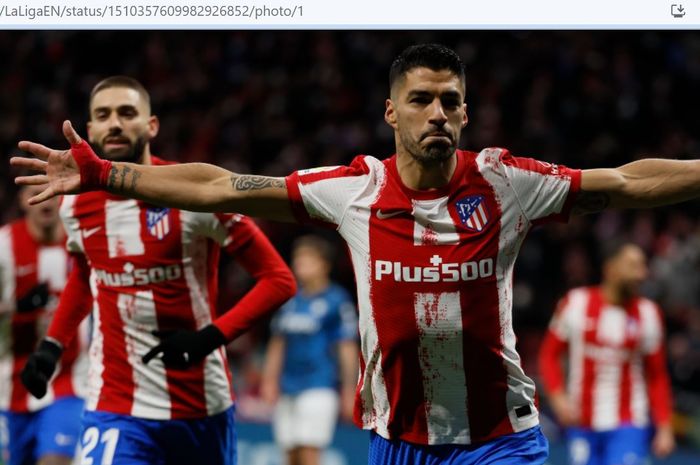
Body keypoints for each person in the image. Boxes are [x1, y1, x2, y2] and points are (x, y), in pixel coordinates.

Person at [11, 43, 700, 464]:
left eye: (450, 102)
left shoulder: (506, 182)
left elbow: (628, 181)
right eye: (421, 99)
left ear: (465, 114)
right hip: (395, 440)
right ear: (391, 113)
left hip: (499, 439)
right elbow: (220, 185)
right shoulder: (354, 191)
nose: (437, 112)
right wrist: (106, 175)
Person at [14, 76, 296, 465]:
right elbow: (86, 275)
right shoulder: (74, 205)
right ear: (90, 129)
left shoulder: (196, 192)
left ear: (152, 126)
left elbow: (279, 280)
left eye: (127, 113)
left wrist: (209, 338)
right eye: (103, 115)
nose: (115, 123)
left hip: (201, 403)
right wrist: (53, 345)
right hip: (115, 403)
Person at [538, 242, 675, 465]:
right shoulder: (575, 303)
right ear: (610, 268)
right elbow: (549, 355)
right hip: (581, 422)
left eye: (643, 266)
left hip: (629, 423)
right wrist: (558, 397)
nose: (642, 274)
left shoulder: (649, 313)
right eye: (633, 266)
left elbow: (657, 374)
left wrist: (665, 426)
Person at [0, 182, 89, 465]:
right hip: (8, 388)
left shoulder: (84, 243)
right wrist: (16, 308)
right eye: (34, 193)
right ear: (23, 200)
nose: (45, 200)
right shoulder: (4, 246)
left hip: (68, 383)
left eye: (52, 191)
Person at [261, 235, 359, 465]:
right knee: (290, 454)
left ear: (324, 265)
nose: (299, 265)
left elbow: (346, 347)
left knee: (309, 453)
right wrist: (269, 380)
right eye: (298, 259)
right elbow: (278, 343)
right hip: (288, 387)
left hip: (319, 385)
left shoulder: (337, 300)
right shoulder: (289, 300)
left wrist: (349, 390)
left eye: (307, 259)